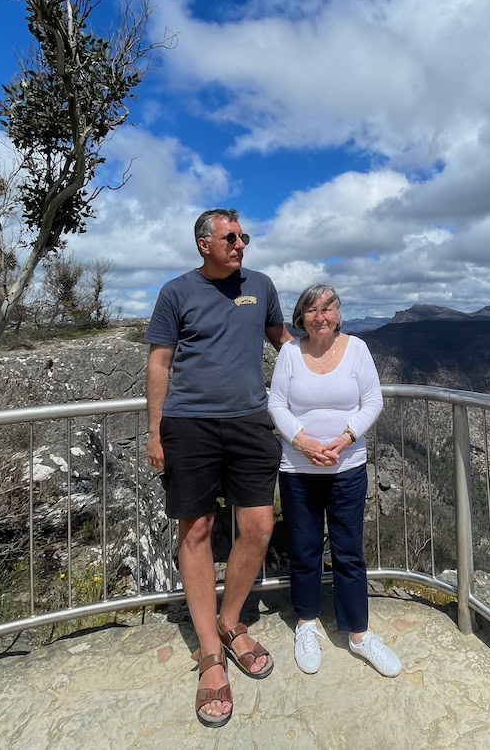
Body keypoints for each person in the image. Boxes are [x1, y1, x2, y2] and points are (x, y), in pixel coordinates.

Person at [145, 208, 292, 728]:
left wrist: (333, 366)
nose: (240, 244)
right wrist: (155, 429)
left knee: (258, 525)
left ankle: (230, 622)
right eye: (231, 237)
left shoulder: (262, 285)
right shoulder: (176, 292)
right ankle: (210, 653)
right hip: (190, 425)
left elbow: (283, 341)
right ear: (204, 244)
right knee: (198, 529)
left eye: (244, 236)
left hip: (251, 421)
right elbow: (160, 361)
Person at [267, 283, 402, 678]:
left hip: (347, 466)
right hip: (298, 468)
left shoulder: (357, 349)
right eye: (311, 310)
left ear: (338, 314)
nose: (320, 316)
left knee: (348, 551)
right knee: (305, 550)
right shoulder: (290, 354)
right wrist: (304, 442)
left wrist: (343, 439)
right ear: (301, 317)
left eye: (327, 308)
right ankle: (306, 625)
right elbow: (276, 403)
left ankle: (359, 634)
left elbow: (373, 400)